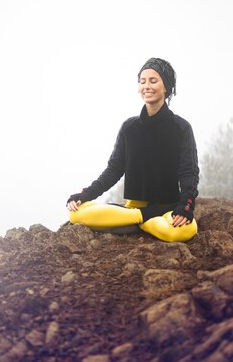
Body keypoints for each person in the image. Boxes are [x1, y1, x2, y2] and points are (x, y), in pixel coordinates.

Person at [66, 57, 199, 242]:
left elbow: (189, 172)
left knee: (183, 231)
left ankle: (132, 222)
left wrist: (186, 205)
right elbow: (114, 169)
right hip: (132, 208)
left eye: (153, 81)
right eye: (142, 81)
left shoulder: (181, 128)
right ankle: (142, 219)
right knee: (75, 214)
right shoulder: (129, 128)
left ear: (166, 87)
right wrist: (86, 194)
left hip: (167, 209)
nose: (147, 86)